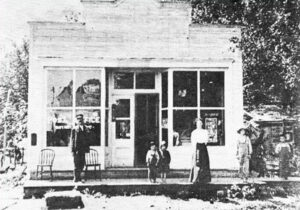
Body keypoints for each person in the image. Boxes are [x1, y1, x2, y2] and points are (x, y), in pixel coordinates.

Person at [189, 118, 211, 183]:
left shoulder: (205, 131)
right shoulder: (194, 132)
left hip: (203, 147)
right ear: (196, 124)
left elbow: (206, 140)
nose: (199, 125)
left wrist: (203, 144)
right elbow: (193, 142)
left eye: (200, 123)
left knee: (205, 162)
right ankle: (195, 178)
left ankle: (204, 179)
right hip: (197, 147)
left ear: (202, 124)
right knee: (197, 163)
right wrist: (195, 150)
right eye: (198, 123)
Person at [70, 114, 90, 183]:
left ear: (83, 120)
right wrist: (72, 150)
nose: (80, 121)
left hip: (83, 150)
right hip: (76, 150)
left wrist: (87, 149)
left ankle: (82, 178)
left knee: (82, 164)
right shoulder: (74, 129)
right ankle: (76, 178)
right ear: (77, 121)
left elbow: (88, 139)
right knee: (76, 164)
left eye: (81, 120)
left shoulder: (86, 129)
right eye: (78, 120)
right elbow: (72, 140)